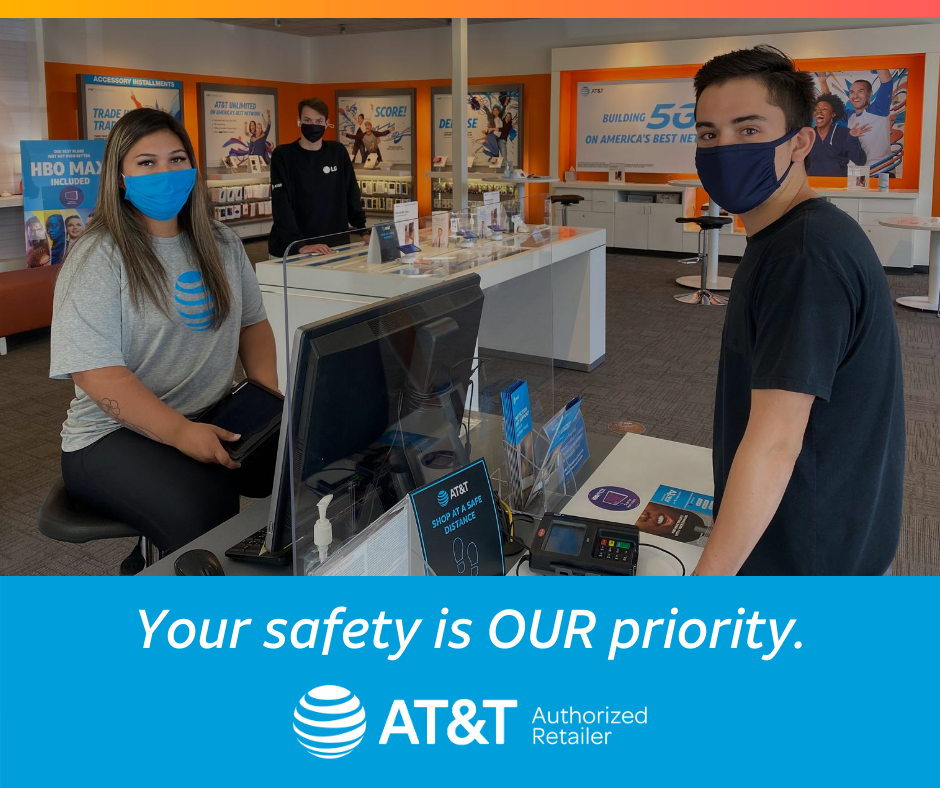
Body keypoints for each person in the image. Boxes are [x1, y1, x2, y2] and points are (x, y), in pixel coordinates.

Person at [691, 45, 903, 575]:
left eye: (748, 129)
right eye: (708, 134)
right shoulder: (791, 236)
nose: (724, 148)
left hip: (806, 556)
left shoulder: (805, 257)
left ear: (800, 143)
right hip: (812, 524)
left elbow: (776, 443)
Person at [50, 107, 279, 561]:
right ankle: (152, 583)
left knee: (311, 461)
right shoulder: (97, 255)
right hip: (109, 434)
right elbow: (96, 374)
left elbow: (253, 324)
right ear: (120, 178)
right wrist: (179, 432)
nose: (166, 173)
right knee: (207, 510)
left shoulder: (220, 242)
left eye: (176, 159)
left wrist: (267, 405)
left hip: (210, 411)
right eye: (146, 162)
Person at [269, 98, 367, 258]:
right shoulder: (283, 155)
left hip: (335, 246)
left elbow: (351, 192)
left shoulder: (337, 152)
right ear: (299, 121)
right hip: (294, 250)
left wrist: (363, 230)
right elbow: (281, 204)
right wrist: (299, 244)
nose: (313, 125)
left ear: (327, 123)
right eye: (307, 120)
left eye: (319, 121)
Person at [842, 69, 894, 164]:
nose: (855, 96)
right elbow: (829, 106)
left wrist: (879, 62)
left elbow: (887, 83)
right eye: (852, 92)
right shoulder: (849, 115)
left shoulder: (879, 109)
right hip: (860, 172)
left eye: (860, 91)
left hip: (882, 169)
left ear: (870, 93)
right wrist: (823, 82)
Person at [808, 93, 866, 177]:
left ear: (833, 114)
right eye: (816, 109)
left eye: (824, 109)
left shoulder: (844, 133)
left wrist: (852, 138)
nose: (819, 111)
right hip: (812, 183)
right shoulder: (808, 135)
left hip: (838, 183)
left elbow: (860, 161)